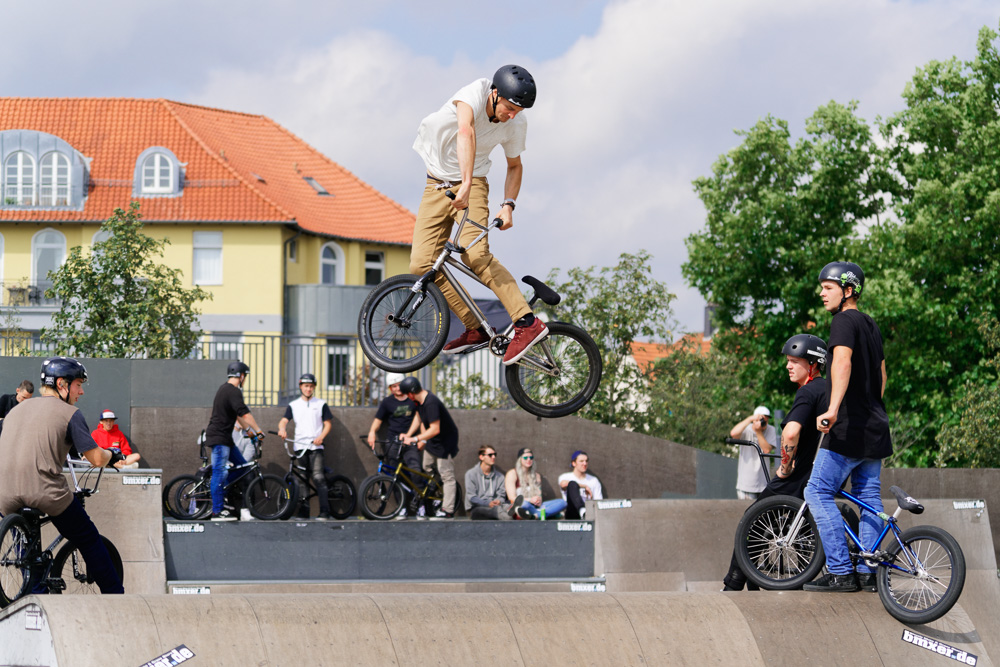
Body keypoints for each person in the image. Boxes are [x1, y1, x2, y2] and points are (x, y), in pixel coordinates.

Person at [410, 64, 548, 366]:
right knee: (421, 264)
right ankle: (475, 328)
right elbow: (465, 130)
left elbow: (515, 166)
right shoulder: (473, 93)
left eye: (518, 111)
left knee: (475, 254)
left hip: (471, 188)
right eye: (509, 108)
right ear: (495, 94)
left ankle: (526, 322)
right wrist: (463, 181)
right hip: (437, 186)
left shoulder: (515, 123)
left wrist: (508, 204)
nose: (511, 116)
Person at [0, 357, 124, 594]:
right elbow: (95, 458)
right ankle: (115, 594)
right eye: (78, 384)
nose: (82, 391)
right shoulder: (70, 413)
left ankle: (34, 593)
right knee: (88, 538)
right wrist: (112, 454)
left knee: (27, 549)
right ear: (61, 384)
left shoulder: (15, 411)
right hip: (44, 492)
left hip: (4, 495)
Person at [804, 261, 891, 593]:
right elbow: (881, 376)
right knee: (868, 496)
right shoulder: (871, 325)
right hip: (875, 425)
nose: (822, 293)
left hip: (850, 426)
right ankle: (868, 571)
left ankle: (840, 571)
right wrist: (873, 407)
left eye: (828, 287)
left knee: (816, 491)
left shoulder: (843, 321)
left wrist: (833, 409)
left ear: (848, 290)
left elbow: (841, 361)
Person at [722, 333, 830, 591]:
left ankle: (735, 583)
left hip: (800, 475)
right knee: (768, 520)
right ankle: (753, 579)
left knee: (752, 516)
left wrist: (784, 467)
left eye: (794, 361)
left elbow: (790, 433)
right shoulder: (828, 388)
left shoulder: (807, 393)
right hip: (824, 471)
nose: (788, 366)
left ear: (812, 364)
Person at [204, 360, 264, 521]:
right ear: (242, 376)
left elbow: (238, 415)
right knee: (220, 472)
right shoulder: (233, 391)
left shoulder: (225, 389)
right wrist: (258, 431)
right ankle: (217, 510)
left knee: (243, 469)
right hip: (219, 438)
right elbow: (245, 414)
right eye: (245, 377)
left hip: (226, 439)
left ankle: (219, 488)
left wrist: (250, 433)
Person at [399, 376, 459, 519]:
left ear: (411, 393)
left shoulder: (431, 403)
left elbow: (435, 429)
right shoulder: (419, 402)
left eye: (407, 394)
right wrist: (407, 435)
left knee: (447, 476)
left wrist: (415, 439)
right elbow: (418, 418)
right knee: (426, 468)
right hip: (433, 441)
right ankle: (434, 490)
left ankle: (448, 510)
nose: (407, 397)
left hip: (445, 443)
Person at [277, 373, 335, 520]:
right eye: (306, 386)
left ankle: (324, 512)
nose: (308, 389)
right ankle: (304, 512)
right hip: (300, 447)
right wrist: (282, 429)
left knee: (318, 477)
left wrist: (320, 437)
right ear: (300, 387)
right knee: (302, 480)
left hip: (316, 447)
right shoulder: (293, 405)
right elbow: (283, 421)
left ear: (314, 387)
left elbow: (328, 424)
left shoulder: (321, 404)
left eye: (311, 386)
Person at [368, 372, 421, 518]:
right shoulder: (387, 402)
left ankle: (420, 505)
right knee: (394, 477)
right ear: (390, 388)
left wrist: (421, 439)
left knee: (415, 471)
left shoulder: (412, 400)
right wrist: (372, 432)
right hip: (393, 442)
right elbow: (378, 420)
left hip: (410, 442)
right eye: (393, 386)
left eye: (399, 385)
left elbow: (421, 419)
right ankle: (401, 508)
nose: (397, 388)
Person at [505, 447, 567, 520]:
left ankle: (535, 516)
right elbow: (511, 498)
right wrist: (530, 499)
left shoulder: (536, 475)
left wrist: (538, 500)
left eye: (531, 457)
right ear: (520, 459)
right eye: (525, 458)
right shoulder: (512, 473)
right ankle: (545, 514)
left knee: (562, 503)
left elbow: (538, 496)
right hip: (521, 505)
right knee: (524, 504)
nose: (529, 460)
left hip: (535, 507)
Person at [730, 406, 777, 500]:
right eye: (761, 419)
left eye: (765, 420)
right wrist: (750, 419)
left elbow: (766, 450)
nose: (763, 422)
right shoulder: (746, 429)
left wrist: (758, 432)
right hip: (746, 484)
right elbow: (733, 434)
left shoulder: (770, 429)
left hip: (763, 484)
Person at [464, 445, 522, 520]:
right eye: (490, 455)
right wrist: (488, 503)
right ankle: (511, 515)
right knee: (497, 511)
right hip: (477, 508)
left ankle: (515, 510)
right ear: (481, 457)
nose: (493, 457)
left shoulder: (500, 476)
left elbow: (501, 495)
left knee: (507, 506)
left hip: (496, 506)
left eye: (495, 454)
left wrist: (498, 501)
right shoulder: (471, 474)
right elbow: (472, 498)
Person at [558, 450, 602, 519]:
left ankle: (584, 513)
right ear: (573, 463)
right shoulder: (565, 477)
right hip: (572, 513)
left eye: (586, 461)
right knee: (572, 484)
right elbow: (563, 484)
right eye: (581, 461)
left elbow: (599, 501)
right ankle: (582, 511)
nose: (584, 463)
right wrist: (585, 486)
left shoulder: (594, 480)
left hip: (589, 513)